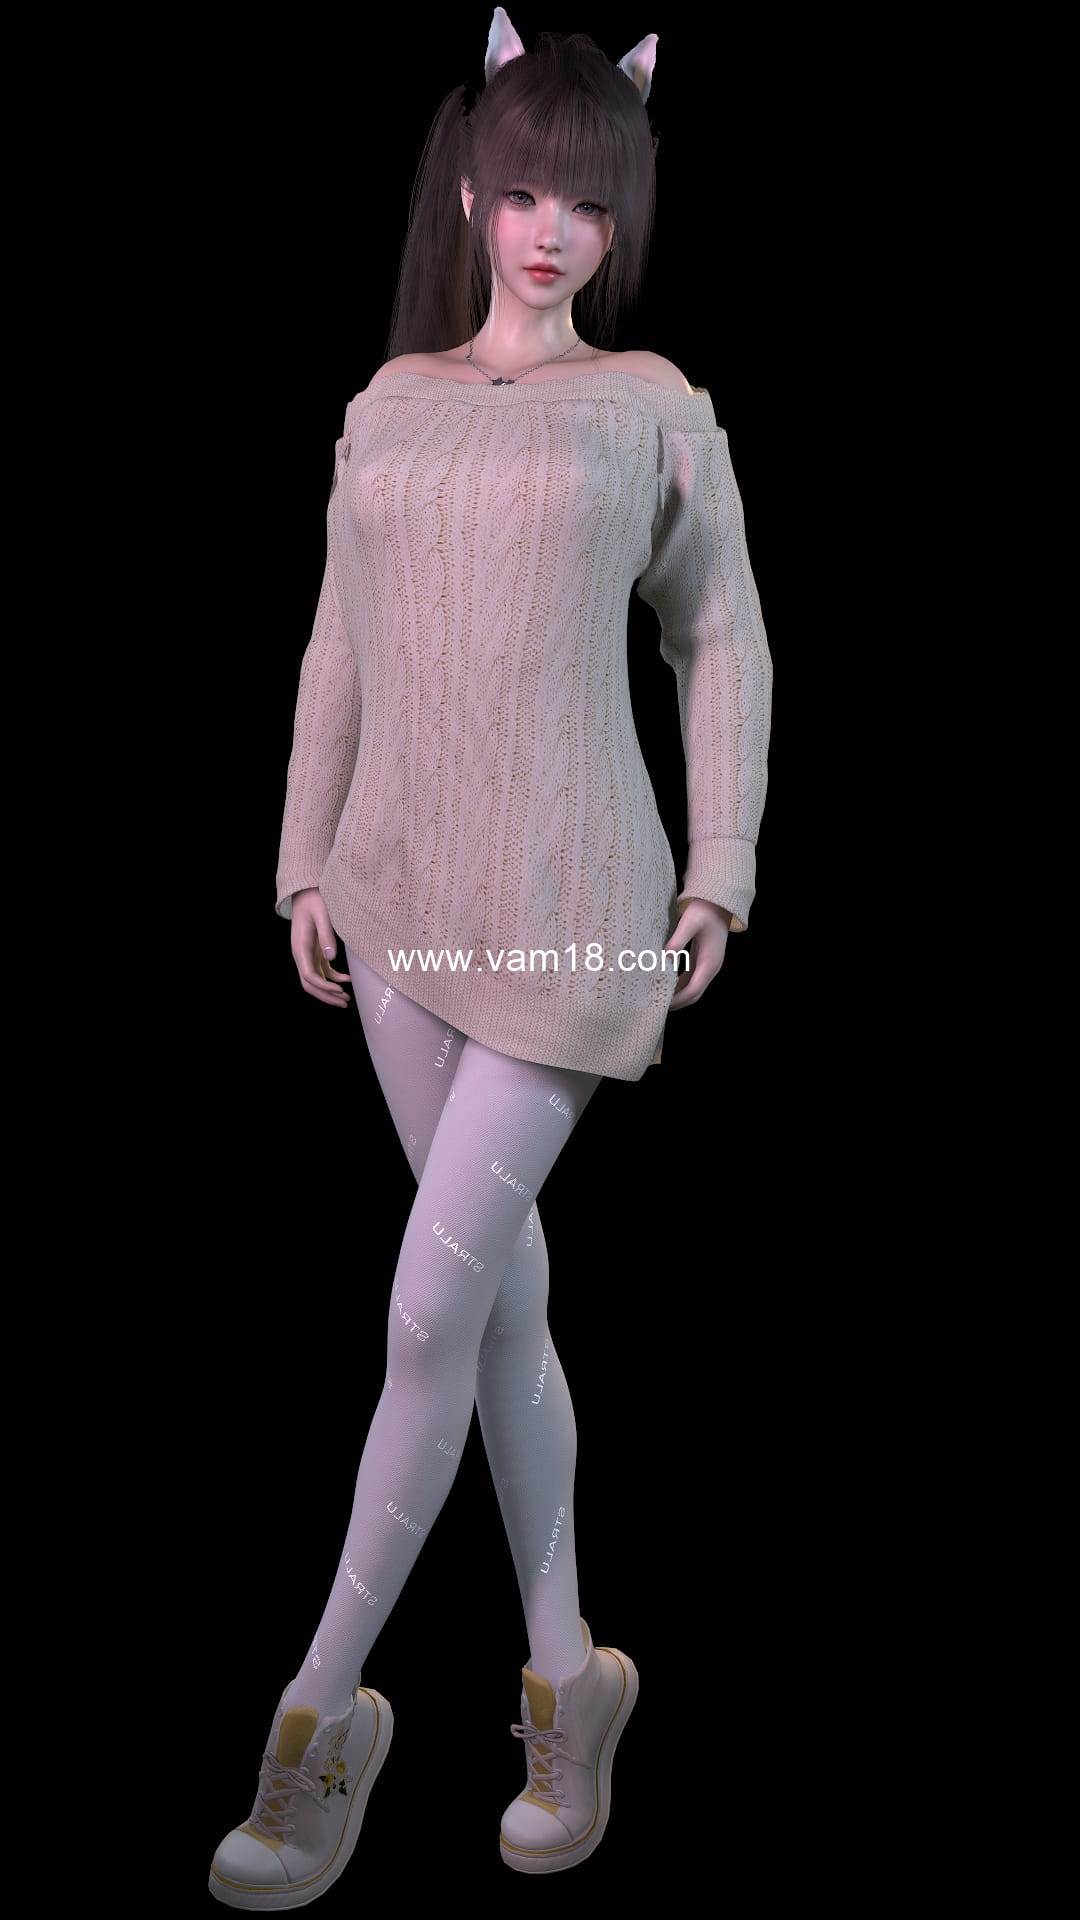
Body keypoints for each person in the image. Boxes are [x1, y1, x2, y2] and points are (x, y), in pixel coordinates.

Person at [210, 10, 772, 1902]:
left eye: (588, 204)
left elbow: (721, 639)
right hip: (393, 905)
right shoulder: (388, 402)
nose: (551, 231)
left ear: (621, 220)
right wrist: (301, 857)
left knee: (424, 1316)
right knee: (501, 1308)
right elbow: (337, 641)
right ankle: (566, 1676)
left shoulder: (652, 403)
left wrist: (722, 868)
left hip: (572, 901)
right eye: (525, 192)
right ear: (469, 190)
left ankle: (318, 1716)